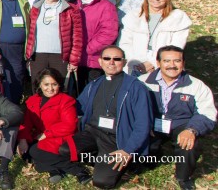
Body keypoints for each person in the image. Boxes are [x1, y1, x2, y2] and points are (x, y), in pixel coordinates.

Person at [73, 46, 152, 189]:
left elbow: (143, 124)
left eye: (117, 59)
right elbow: (77, 108)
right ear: (100, 61)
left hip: (116, 139)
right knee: (65, 150)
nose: (111, 62)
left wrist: (128, 150)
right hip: (93, 132)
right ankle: (100, 158)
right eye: (107, 58)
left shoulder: (136, 87)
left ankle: (129, 162)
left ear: (124, 62)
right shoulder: (94, 84)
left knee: (102, 182)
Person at [140, 46, 217, 190]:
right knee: (144, 154)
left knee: (190, 143)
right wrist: (143, 125)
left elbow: (208, 114)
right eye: (167, 61)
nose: (172, 65)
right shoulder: (142, 82)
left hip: (181, 125)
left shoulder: (197, 86)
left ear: (183, 63)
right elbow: (131, 109)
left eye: (177, 61)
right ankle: (153, 155)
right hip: (151, 124)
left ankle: (184, 177)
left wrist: (192, 130)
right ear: (158, 63)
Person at [17, 68, 88, 184]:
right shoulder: (32, 100)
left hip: (61, 137)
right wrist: (22, 139)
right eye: (46, 84)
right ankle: (53, 170)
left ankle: (78, 171)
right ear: (39, 84)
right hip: (40, 136)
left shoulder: (66, 101)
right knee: (25, 153)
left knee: (35, 151)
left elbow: (69, 125)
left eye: (54, 84)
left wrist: (46, 134)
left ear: (59, 84)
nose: (50, 88)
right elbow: (26, 123)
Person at [119, 0, 191, 76]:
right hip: (135, 63)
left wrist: (153, 63)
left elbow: (176, 47)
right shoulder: (134, 16)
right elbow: (125, 43)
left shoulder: (177, 18)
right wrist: (135, 62)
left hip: (165, 64)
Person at [26, 0, 83, 84]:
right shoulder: (35, 8)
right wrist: (28, 55)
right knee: (37, 86)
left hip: (60, 55)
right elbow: (31, 33)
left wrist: (74, 59)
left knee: (59, 87)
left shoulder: (71, 9)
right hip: (38, 55)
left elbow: (77, 36)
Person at [76, 0, 119, 92]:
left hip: (94, 57)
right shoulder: (78, 5)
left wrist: (89, 49)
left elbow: (108, 33)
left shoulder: (106, 6)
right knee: (80, 91)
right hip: (78, 57)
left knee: (93, 91)